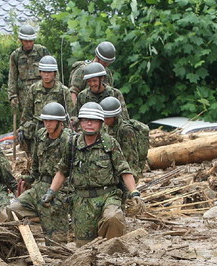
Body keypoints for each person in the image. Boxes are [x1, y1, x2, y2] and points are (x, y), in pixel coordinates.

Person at [42, 102, 142, 245]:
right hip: (82, 202)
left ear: (101, 123)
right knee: (86, 248)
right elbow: (62, 171)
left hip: (108, 196)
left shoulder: (109, 143)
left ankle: (112, 252)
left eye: (94, 120)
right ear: (80, 122)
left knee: (113, 217)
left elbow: (124, 170)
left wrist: (134, 192)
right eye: (85, 120)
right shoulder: (72, 144)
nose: (89, 124)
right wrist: (51, 192)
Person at [5, 102, 73, 243]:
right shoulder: (41, 135)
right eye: (45, 120)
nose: (47, 124)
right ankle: (22, 244)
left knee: (56, 242)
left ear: (60, 122)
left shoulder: (69, 140)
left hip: (60, 190)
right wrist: (28, 178)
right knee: (13, 209)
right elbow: (35, 163)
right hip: (39, 186)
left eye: (51, 121)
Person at [8, 25, 50, 153]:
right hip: (24, 94)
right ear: (21, 40)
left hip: (42, 91)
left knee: (44, 119)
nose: (29, 43)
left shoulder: (42, 52)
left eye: (31, 41)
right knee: (27, 124)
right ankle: (29, 152)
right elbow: (12, 77)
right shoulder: (15, 55)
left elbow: (52, 70)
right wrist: (12, 96)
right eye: (26, 41)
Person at [20, 55, 69, 154]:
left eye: (49, 72)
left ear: (54, 73)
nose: (46, 75)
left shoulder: (63, 91)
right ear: (40, 72)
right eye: (44, 72)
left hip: (57, 132)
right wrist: (24, 129)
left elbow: (70, 114)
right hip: (37, 132)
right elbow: (26, 115)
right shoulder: (34, 89)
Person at [100, 96, 150, 183]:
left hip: (125, 174)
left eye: (107, 117)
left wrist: (130, 180)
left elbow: (131, 157)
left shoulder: (125, 130)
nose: (104, 120)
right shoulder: (106, 127)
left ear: (115, 117)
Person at [68, 41, 116, 107]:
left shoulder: (107, 73)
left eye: (108, 62)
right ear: (97, 57)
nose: (106, 64)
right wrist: (74, 113)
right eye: (104, 62)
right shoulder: (83, 70)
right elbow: (73, 92)